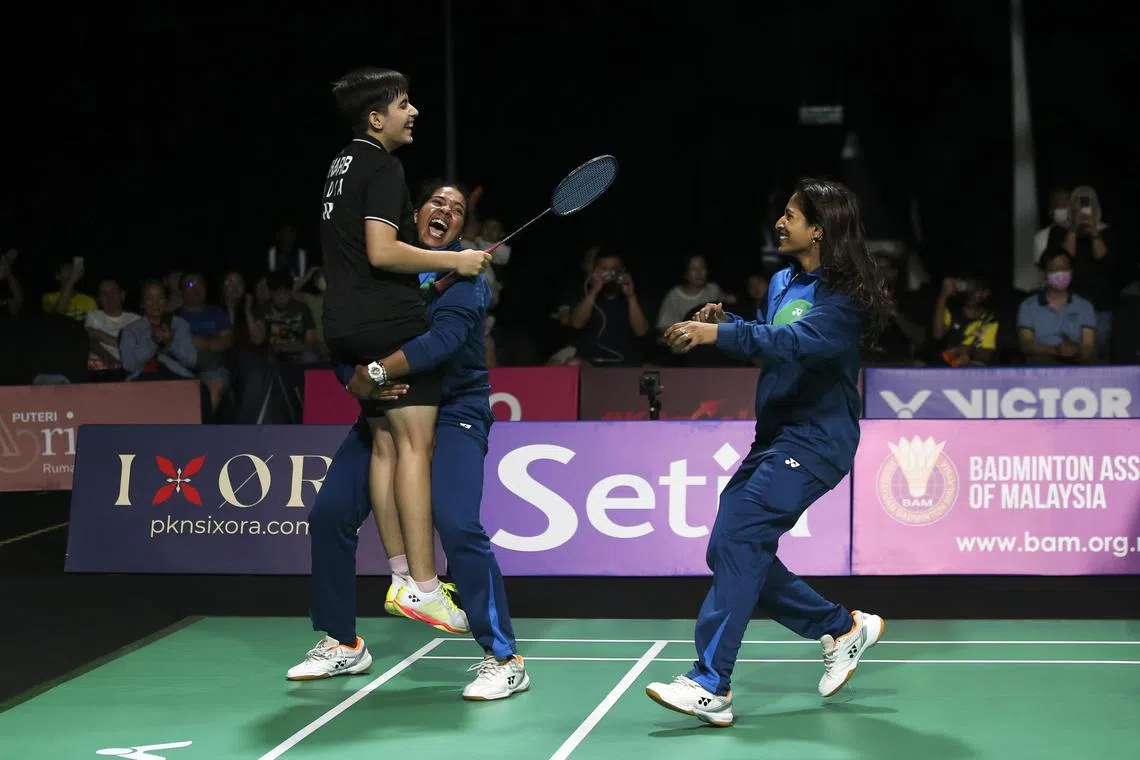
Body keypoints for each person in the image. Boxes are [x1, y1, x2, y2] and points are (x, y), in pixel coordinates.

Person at [647, 178, 894, 727]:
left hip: (818, 438)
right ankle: (841, 627)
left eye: (790, 215)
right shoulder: (783, 280)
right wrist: (725, 325)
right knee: (729, 547)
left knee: (740, 537)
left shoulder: (843, 298)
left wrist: (723, 339)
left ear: (819, 228)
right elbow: (771, 336)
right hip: (776, 435)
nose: (779, 224)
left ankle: (711, 682)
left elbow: (798, 344)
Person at [287, 67, 489, 680]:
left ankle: (400, 575)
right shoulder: (385, 168)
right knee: (412, 445)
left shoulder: (340, 165)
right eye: (404, 104)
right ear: (377, 118)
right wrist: (456, 260)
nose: (414, 112)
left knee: (382, 444)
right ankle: (424, 583)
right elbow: (382, 251)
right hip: (384, 325)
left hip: (343, 326)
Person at [298, 180, 529, 700]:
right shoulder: (384, 269)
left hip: (455, 411)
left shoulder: (466, 275)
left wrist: (375, 373)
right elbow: (348, 334)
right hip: (387, 408)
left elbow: (441, 342)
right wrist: (354, 379)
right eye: (437, 203)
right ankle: (342, 643)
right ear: (416, 212)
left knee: (457, 523)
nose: (445, 211)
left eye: (457, 208)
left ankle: (504, 656)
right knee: (330, 514)